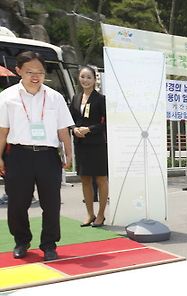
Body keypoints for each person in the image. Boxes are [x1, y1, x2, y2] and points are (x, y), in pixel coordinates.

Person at [0, 51, 74, 261]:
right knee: (17, 203)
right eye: (29, 71)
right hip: (18, 155)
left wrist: (68, 153)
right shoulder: (7, 97)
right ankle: (21, 241)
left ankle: (49, 245)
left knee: (51, 203)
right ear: (18, 71)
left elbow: (62, 130)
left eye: (40, 72)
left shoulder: (55, 97)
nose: (35, 76)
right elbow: (3, 131)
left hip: (47, 156)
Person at [70, 66, 108, 228]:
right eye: (82, 77)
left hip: (97, 144)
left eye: (89, 77)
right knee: (85, 179)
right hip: (81, 144)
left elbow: (106, 123)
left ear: (94, 80)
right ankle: (90, 214)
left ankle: (101, 215)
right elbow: (70, 119)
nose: (85, 80)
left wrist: (89, 129)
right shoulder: (75, 98)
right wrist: (74, 129)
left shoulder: (101, 99)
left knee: (101, 179)